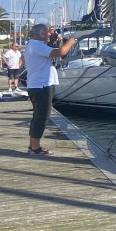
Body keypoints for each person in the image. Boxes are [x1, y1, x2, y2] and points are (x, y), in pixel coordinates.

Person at [23, 24, 76, 156]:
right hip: (42, 85)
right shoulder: (37, 46)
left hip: (37, 85)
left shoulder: (32, 45)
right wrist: (71, 42)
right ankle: (35, 148)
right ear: (41, 33)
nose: (49, 34)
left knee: (37, 116)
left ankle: (33, 146)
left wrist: (60, 41)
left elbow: (53, 50)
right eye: (47, 32)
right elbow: (60, 52)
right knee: (42, 116)